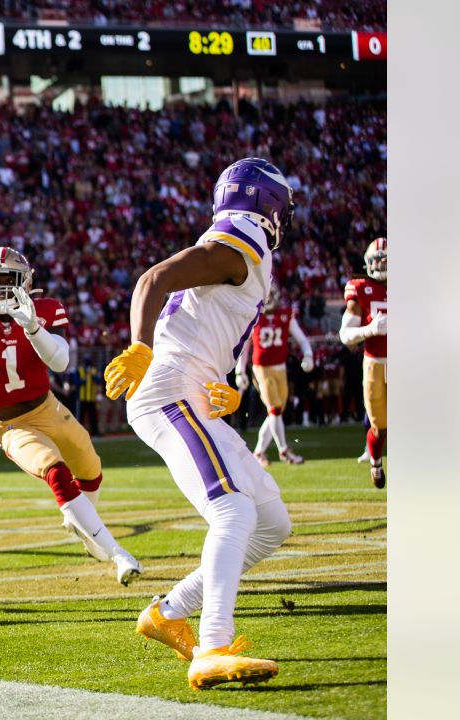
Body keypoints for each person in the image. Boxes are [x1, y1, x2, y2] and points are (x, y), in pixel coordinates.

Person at [103, 158, 295, 689]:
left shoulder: (238, 243)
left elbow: (210, 321)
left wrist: (226, 384)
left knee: (272, 523)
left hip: (192, 389)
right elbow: (154, 279)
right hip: (167, 388)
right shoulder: (244, 238)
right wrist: (141, 347)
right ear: (269, 205)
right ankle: (211, 645)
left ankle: (168, 612)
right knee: (232, 511)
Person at [0, 247, 142, 585]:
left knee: (91, 469)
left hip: (50, 408)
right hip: (12, 424)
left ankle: (85, 528)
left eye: (7, 280)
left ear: (24, 282)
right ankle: (117, 553)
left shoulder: (44, 310)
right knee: (56, 472)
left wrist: (32, 328)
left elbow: (61, 362)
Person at [234, 283, 315, 466]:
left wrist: (308, 354)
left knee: (275, 413)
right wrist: (240, 370)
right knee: (274, 409)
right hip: (261, 367)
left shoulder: (285, 314)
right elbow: (245, 346)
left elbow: (301, 338)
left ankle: (259, 452)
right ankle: (284, 450)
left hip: (281, 367)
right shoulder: (254, 316)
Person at [339, 237, 387, 488]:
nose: (379, 266)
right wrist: (370, 329)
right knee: (379, 427)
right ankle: (376, 461)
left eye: (385, 261)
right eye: (376, 261)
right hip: (375, 364)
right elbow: (345, 335)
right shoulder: (360, 289)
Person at [75, 355, 102, 437]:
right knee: (81, 417)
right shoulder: (79, 370)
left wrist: (92, 375)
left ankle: (95, 432)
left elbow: (98, 381)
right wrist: (84, 379)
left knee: (93, 417)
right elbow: (77, 383)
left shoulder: (94, 370)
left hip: (91, 397)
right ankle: (79, 433)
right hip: (82, 398)